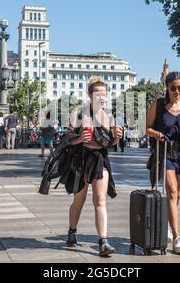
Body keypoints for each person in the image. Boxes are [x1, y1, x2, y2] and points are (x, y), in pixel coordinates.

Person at [65, 76, 123, 257]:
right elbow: (67, 139)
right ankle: (72, 232)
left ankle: (103, 242)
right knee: (79, 201)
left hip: (100, 159)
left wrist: (117, 138)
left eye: (104, 94)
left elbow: (110, 144)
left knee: (100, 200)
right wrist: (80, 138)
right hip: (82, 159)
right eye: (98, 94)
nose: (102, 97)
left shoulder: (110, 116)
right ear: (90, 95)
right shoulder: (79, 114)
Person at [146, 72, 180, 255]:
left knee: (178, 195)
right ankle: (177, 237)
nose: (177, 91)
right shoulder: (159, 105)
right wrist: (156, 134)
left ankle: (167, 224)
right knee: (172, 191)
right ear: (167, 87)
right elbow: (147, 129)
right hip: (165, 151)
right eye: (173, 88)